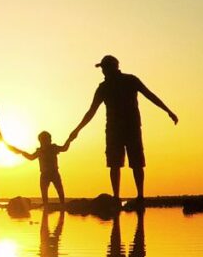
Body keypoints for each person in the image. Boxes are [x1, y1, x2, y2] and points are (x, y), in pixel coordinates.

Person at [67, 54, 178, 203]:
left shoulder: (130, 80)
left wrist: (168, 110)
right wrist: (77, 130)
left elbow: (150, 95)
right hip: (114, 130)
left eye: (105, 68)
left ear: (114, 67)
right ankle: (116, 197)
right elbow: (91, 111)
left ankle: (140, 196)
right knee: (114, 164)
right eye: (102, 68)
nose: (103, 71)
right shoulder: (103, 87)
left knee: (136, 163)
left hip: (131, 127)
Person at [7, 130, 69, 207]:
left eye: (49, 139)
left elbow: (64, 148)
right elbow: (31, 157)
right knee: (44, 195)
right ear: (42, 141)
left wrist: (69, 139)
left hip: (54, 173)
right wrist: (21, 152)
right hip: (44, 174)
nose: (49, 141)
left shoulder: (53, 148)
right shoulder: (39, 151)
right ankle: (46, 209)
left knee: (60, 192)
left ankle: (62, 206)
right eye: (47, 139)